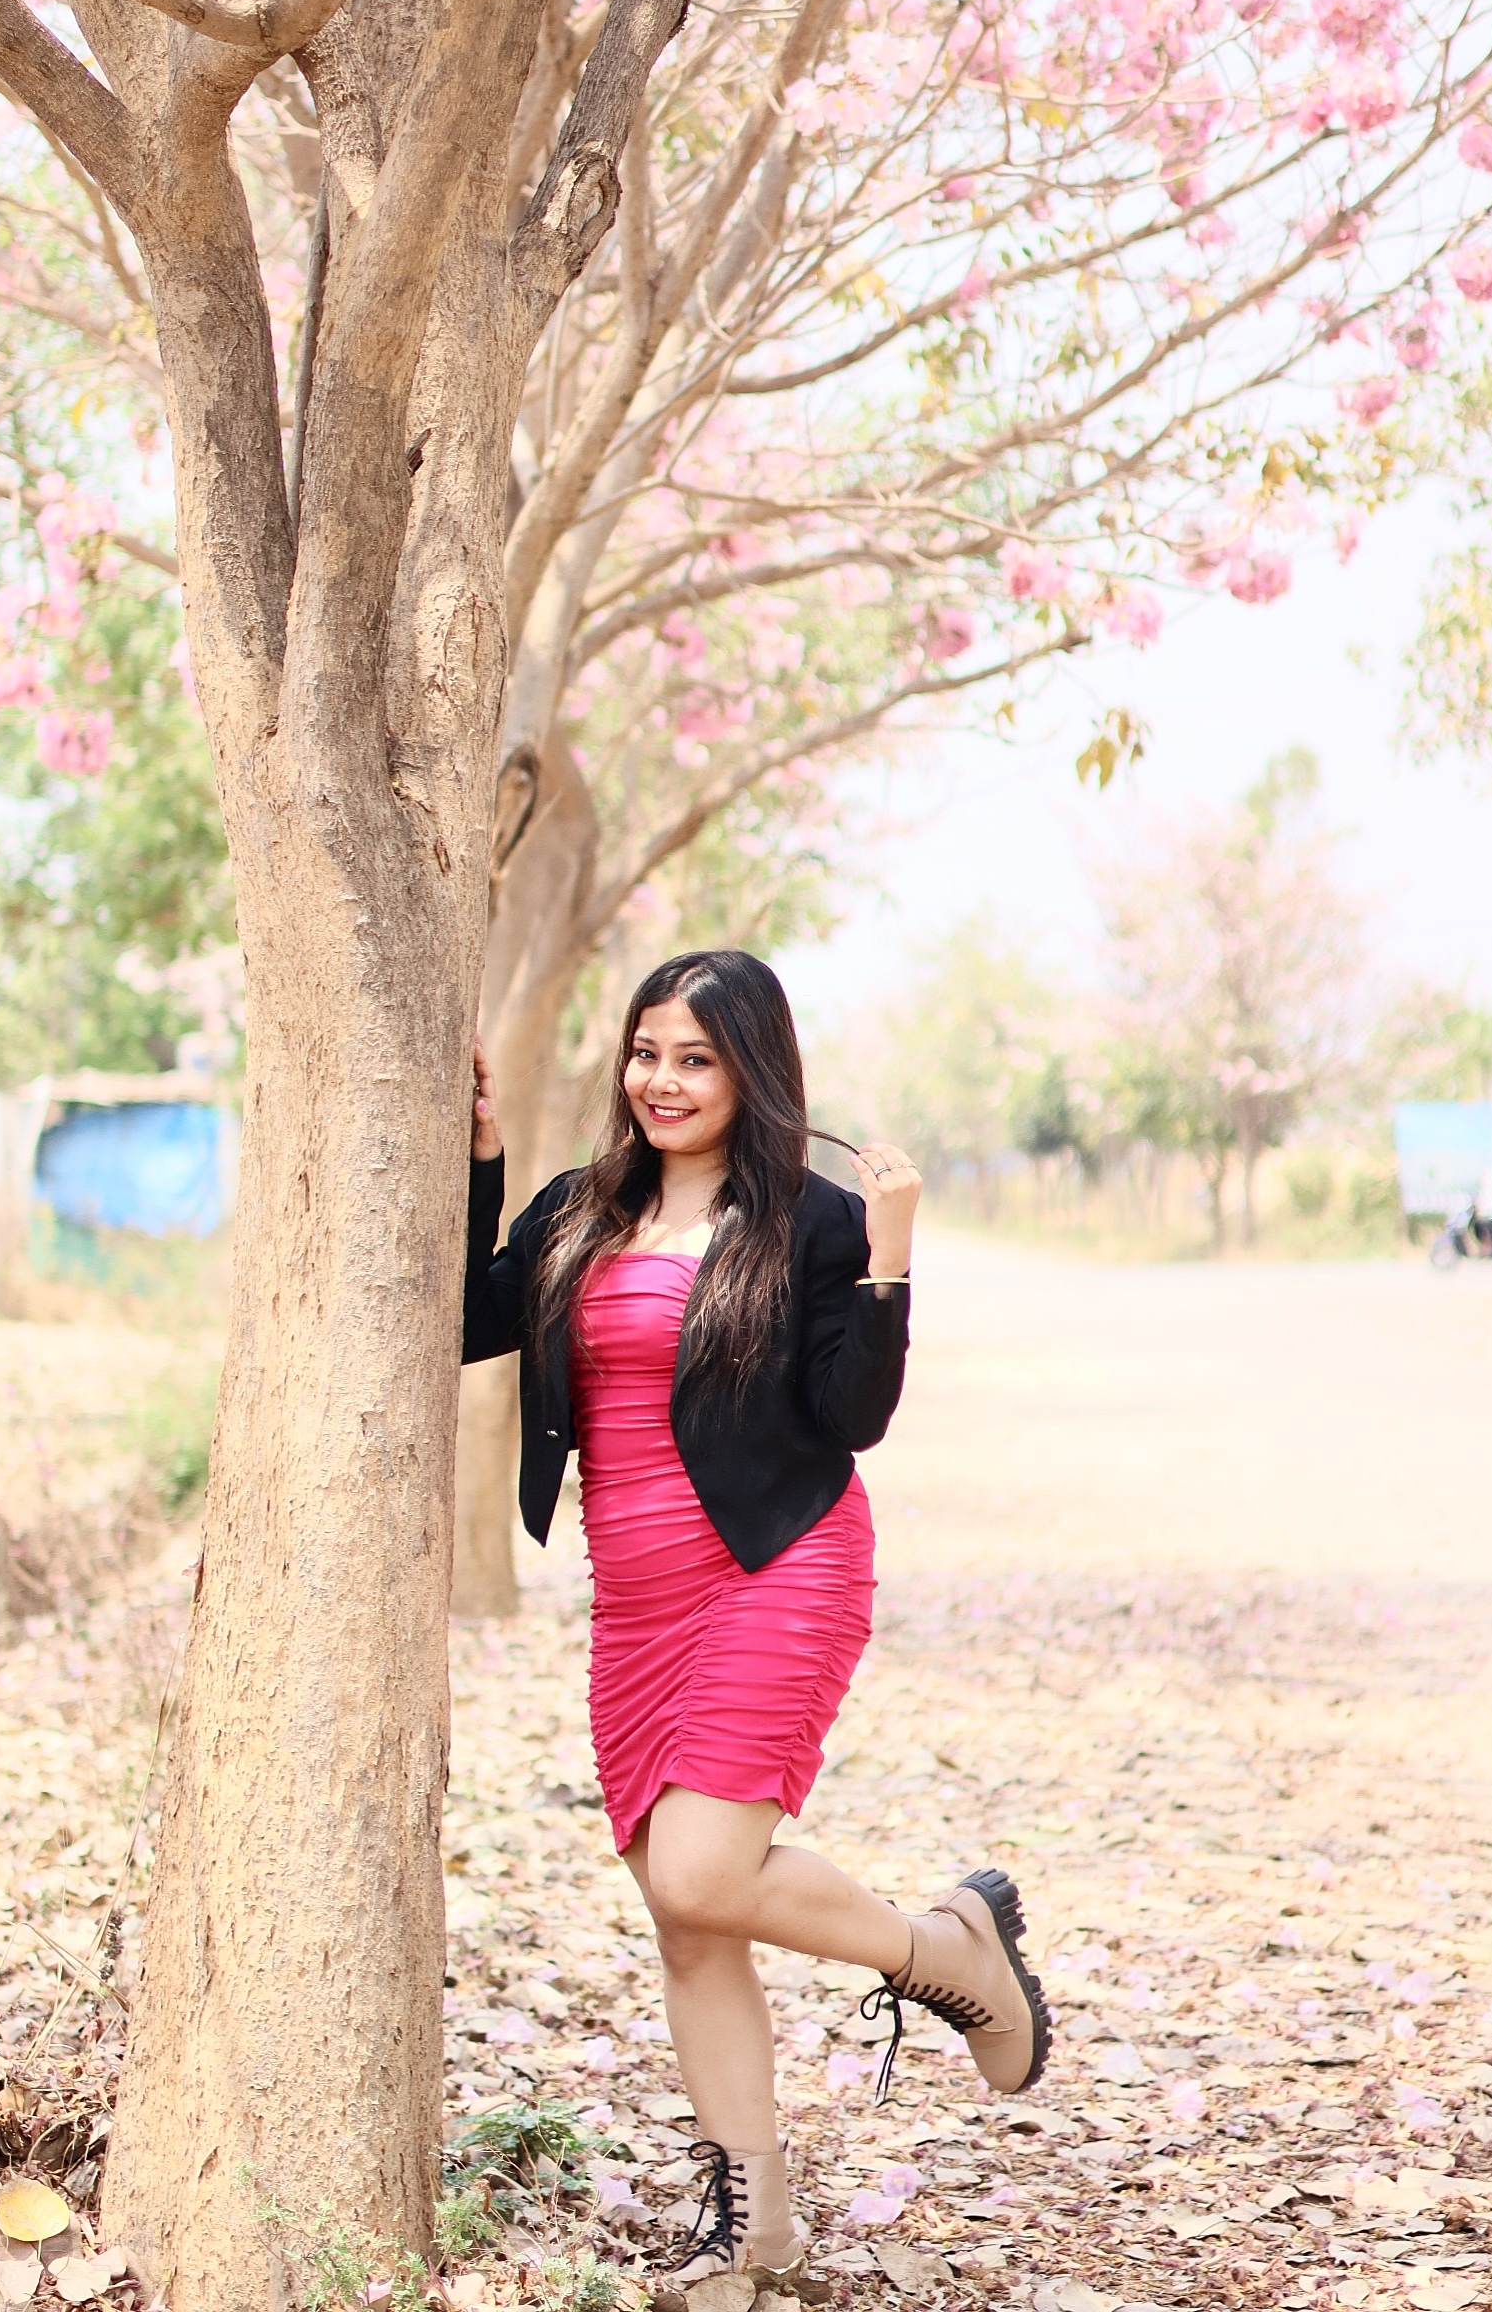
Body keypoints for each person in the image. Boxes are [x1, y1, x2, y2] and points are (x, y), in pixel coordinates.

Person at [462, 949, 1050, 2291]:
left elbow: (854, 1416)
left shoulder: (814, 1218)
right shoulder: (578, 1210)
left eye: (697, 1059)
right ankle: (757, 2223)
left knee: (699, 1875)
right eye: (647, 1053)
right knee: (690, 1923)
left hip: (779, 1565)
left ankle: (947, 1954)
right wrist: (481, 1159)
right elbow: (450, 1317)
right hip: (636, 1602)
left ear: (752, 1073)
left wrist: (889, 1259)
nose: (662, 1082)